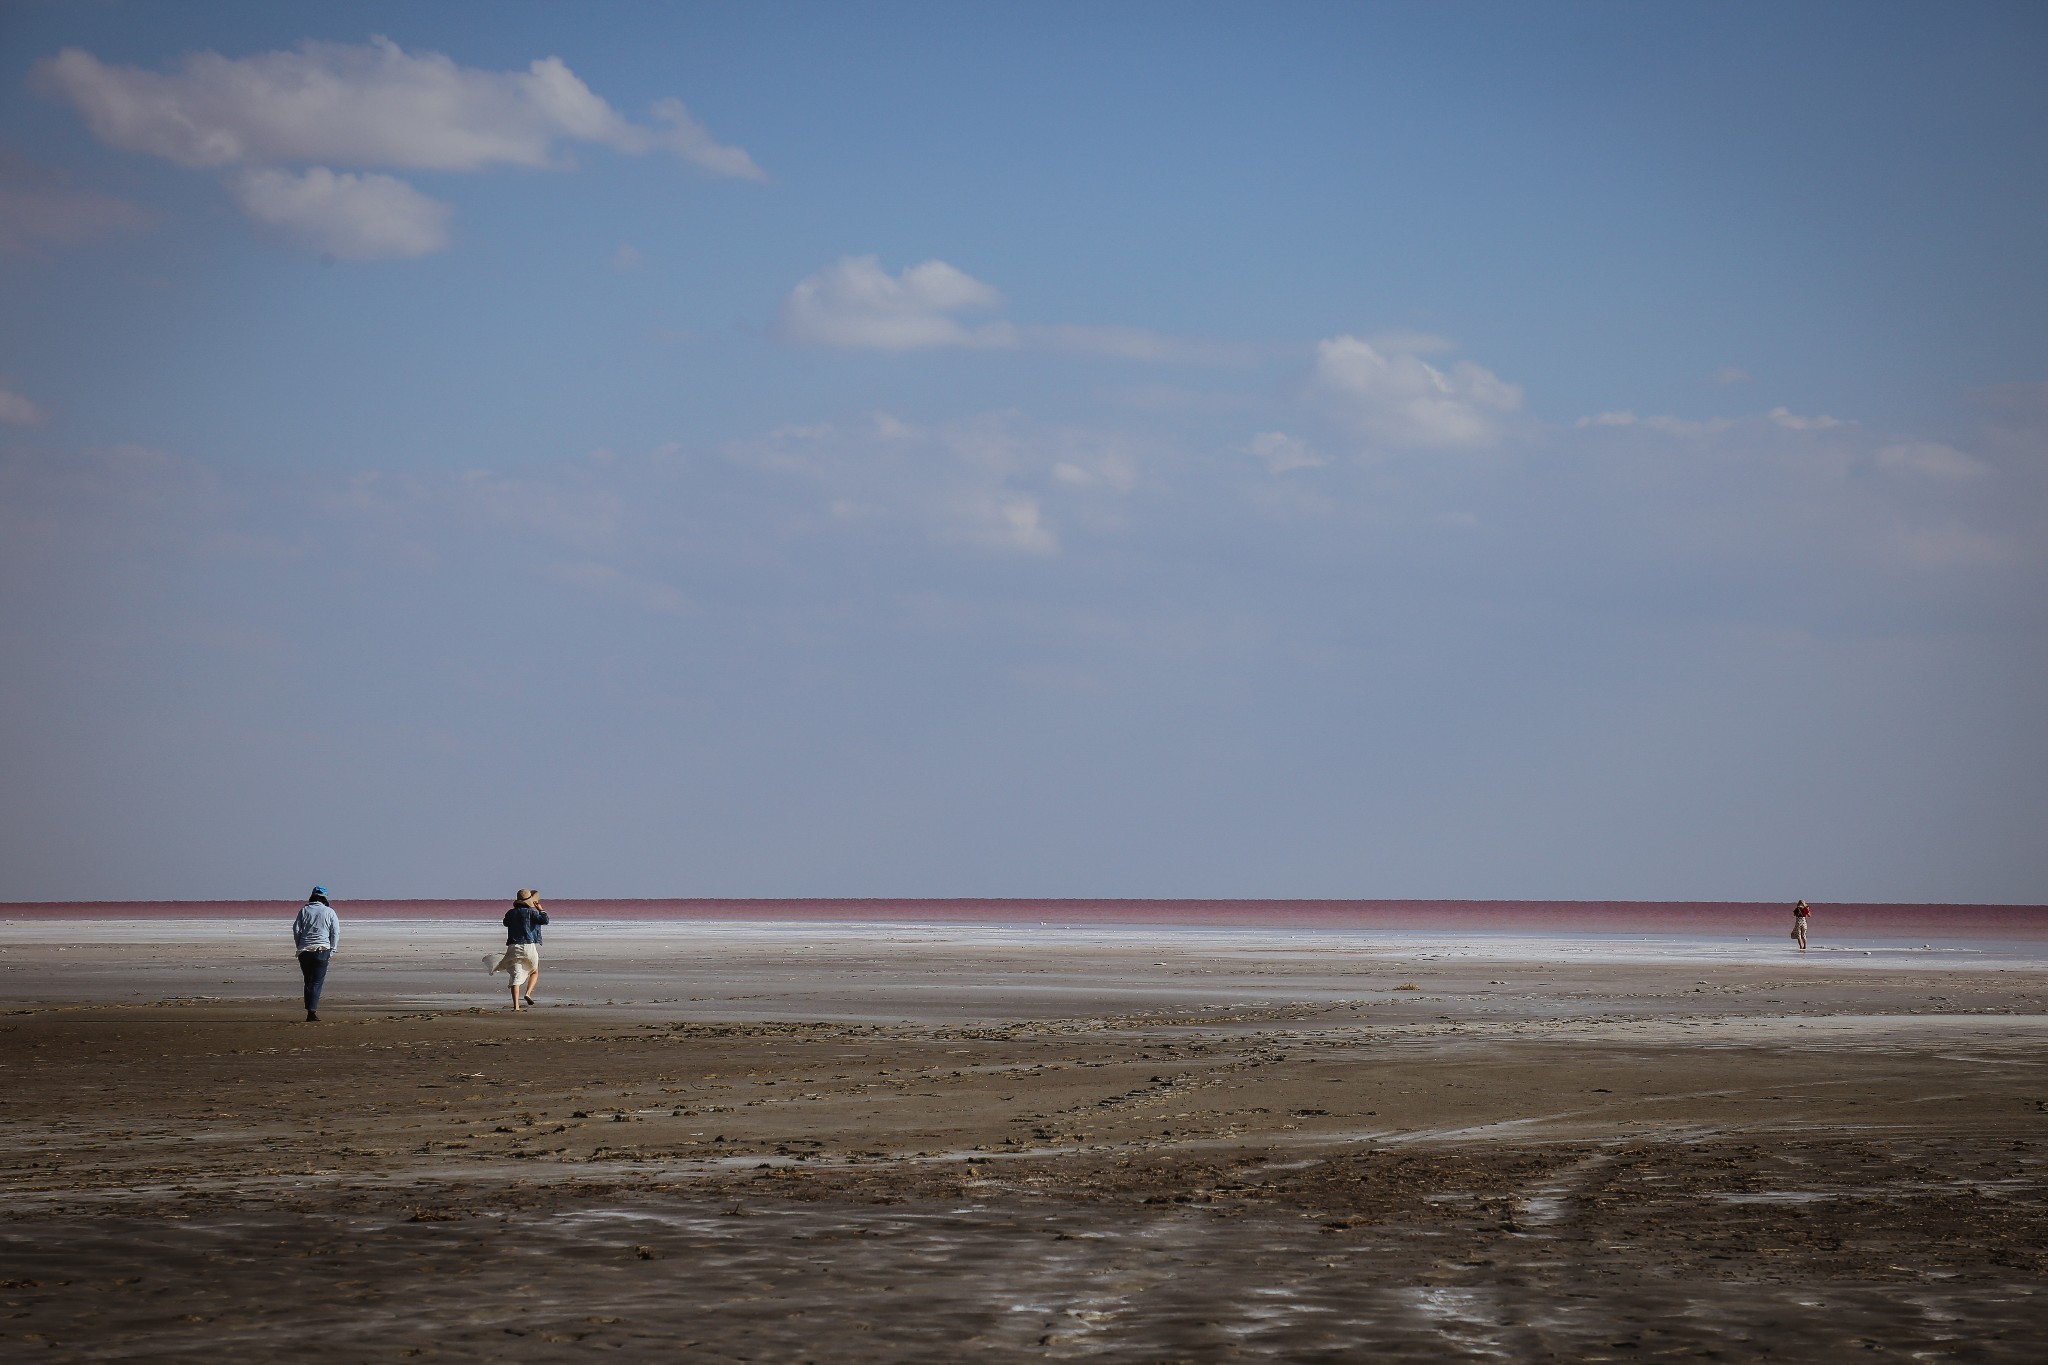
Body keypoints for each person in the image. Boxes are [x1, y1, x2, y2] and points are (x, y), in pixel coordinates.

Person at [484, 888, 548, 1010]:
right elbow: (545, 921)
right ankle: (528, 993)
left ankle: (516, 1006)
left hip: (514, 946)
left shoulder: (510, 913)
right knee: (534, 971)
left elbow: (505, 923)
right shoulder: (532, 912)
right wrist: (541, 910)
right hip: (529, 946)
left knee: (515, 977)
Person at [292, 886, 339, 1021]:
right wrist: (333, 949)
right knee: (316, 982)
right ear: (324, 898)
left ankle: (310, 1011)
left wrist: (300, 946)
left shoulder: (304, 910)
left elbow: (296, 930)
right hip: (322, 950)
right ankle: (311, 1012)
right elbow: (335, 932)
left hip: (305, 950)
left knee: (309, 981)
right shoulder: (329, 911)